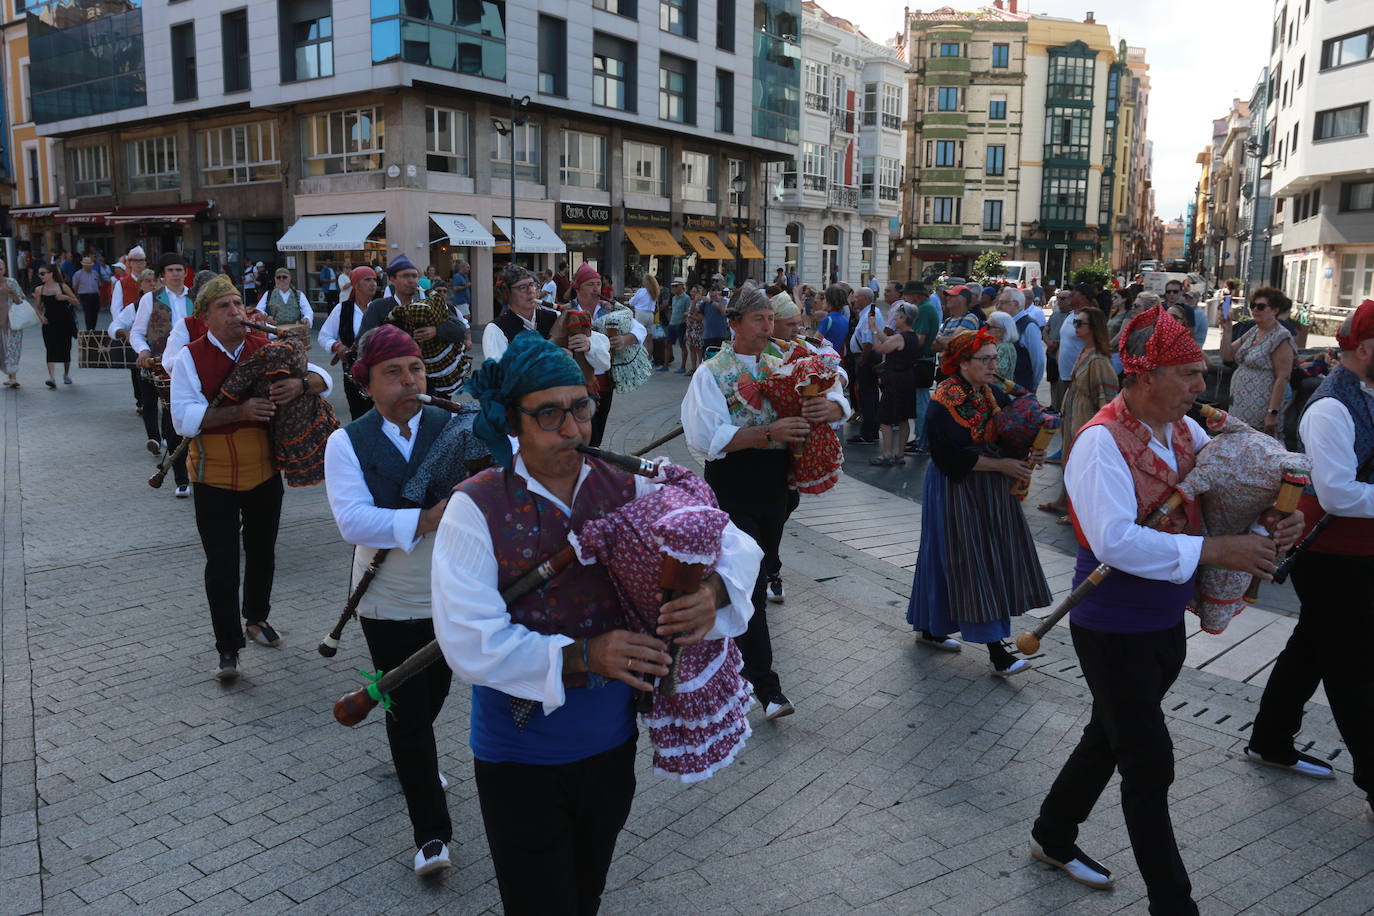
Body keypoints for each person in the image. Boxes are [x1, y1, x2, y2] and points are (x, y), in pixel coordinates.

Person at [431, 330, 758, 912]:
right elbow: (467, 640)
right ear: (513, 420)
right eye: (550, 414)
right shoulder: (474, 505)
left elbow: (730, 539)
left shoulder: (629, 481)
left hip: (610, 740)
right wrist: (584, 655)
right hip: (517, 751)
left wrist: (711, 591)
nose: (574, 429)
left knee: (587, 891)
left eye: (580, 406)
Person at [1031, 305, 1303, 914]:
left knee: (1110, 736)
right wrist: (1217, 548)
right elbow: (1114, 542)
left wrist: (1274, 517)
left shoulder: (1186, 431)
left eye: (1202, 373)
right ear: (1144, 375)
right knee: (1148, 764)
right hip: (1112, 624)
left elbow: (1228, 487)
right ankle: (1173, 904)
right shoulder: (1100, 441)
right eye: (1188, 373)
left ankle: (1052, 833)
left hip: (1161, 622)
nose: (1203, 386)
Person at [323, 325, 458, 875]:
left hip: (452, 592)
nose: (409, 381)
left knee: (434, 696)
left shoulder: (454, 425)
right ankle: (432, 835)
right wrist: (426, 518)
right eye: (393, 373)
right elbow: (352, 520)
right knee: (406, 716)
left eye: (416, 369)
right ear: (367, 384)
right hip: (386, 598)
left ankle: (417, 760)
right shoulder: (346, 441)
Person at [683, 282, 850, 720]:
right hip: (732, 483)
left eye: (770, 319)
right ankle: (768, 687)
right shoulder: (712, 372)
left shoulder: (789, 359)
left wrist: (829, 410)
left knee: (753, 575)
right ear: (734, 324)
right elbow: (706, 439)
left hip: (778, 486)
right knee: (750, 582)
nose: (768, 327)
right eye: (758, 319)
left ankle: (720, 655)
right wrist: (768, 433)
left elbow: (837, 389)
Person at [1245, 298, 1374, 815]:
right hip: (1331, 553)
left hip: (1356, 551)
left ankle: (1270, 739)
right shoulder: (1330, 406)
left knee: (1313, 648)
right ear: (1365, 348)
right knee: (1353, 666)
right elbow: (1338, 493)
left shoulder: (1364, 390)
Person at [170, 275, 333, 680]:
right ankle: (228, 647)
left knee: (263, 552)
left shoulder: (266, 347)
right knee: (221, 564)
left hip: (264, 473)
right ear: (204, 317)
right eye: (224, 307)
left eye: (238, 304)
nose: (236, 313)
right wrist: (239, 413)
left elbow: (324, 380)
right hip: (213, 477)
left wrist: (299, 384)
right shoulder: (190, 357)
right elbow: (182, 418)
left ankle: (256, 618)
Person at [907, 327, 1050, 675]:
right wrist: (1002, 464)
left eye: (994, 357)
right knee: (972, 558)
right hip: (956, 485)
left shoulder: (989, 391)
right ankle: (997, 653)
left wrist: (1031, 452)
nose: (993, 364)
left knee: (944, 555)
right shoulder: (945, 401)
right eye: (985, 359)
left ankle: (930, 627)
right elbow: (947, 456)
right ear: (962, 362)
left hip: (987, 485)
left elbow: (1010, 433)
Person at [1039, 306, 1119, 521]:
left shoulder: (1100, 361)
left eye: (1079, 323)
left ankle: (1078, 513)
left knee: (1083, 467)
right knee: (1069, 460)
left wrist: (1100, 429)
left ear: (1093, 328)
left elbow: (1107, 399)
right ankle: (1063, 502)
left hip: (1086, 421)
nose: (1075, 326)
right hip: (1072, 418)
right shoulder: (1085, 352)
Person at [359, 254, 469, 393]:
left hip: (429, 382)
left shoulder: (430, 305)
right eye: (405, 276)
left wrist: (436, 331)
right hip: (393, 383)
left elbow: (460, 330)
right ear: (392, 279)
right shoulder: (378, 307)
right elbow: (364, 342)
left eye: (414, 276)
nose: (411, 280)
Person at [570, 262, 642, 447]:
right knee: (579, 432)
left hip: (604, 383)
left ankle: (592, 466)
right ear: (577, 288)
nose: (596, 288)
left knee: (598, 431)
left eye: (598, 284)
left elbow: (639, 328)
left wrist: (626, 339)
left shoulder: (610, 309)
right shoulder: (566, 311)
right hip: (576, 383)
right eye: (590, 284)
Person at [1219, 287, 1295, 440]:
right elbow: (1227, 355)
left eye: (1260, 306)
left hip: (1261, 413)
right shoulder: (1254, 331)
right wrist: (1227, 330)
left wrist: (1272, 413)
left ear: (1275, 310)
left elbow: (1283, 377)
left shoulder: (1281, 336)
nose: (1255, 309)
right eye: (1253, 306)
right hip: (1239, 409)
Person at [318, 265, 379, 421]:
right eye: (368, 280)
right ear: (356, 284)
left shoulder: (379, 308)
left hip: (381, 372)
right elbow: (324, 336)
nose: (373, 283)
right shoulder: (342, 309)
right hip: (353, 374)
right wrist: (338, 346)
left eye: (374, 280)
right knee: (360, 418)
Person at [868, 302, 922, 467]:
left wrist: (874, 331)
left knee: (886, 418)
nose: (894, 320)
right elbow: (890, 341)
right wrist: (877, 326)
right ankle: (899, 454)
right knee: (903, 418)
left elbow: (879, 349)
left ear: (904, 318)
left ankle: (887, 454)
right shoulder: (913, 336)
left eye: (896, 317)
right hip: (907, 379)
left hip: (895, 381)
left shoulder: (900, 337)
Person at [846, 286, 883, 445]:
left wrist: (862, 361)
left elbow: (868, 341)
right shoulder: (867, 312)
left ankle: (868, 433)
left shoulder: (871, 313)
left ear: (865, 299)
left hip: (865, 358)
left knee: (866, 395)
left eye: (857, 297)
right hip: (865, 357)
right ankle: (871, 431)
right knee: (869, 395)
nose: (854, 300)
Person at [34, 263, 79, 388]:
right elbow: (37, 308)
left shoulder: (62, 286)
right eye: (39, 274)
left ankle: (66, 374)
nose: (40, 276)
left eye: (43, 273)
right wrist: (41, 317)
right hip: (49, 323)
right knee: (50, 348)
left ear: (51, 274)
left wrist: (65, 297)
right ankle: (52, 378)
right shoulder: (39, 290)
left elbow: (76, 302)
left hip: (65, 322)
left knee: (66, 348)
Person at [256, 268, 314, 339]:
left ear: (289, 278)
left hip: (295, 332)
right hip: (275, 333)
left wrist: (307, 318)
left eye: (284, 277)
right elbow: (258, 311)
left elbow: (308, 310)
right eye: (278, 277)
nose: (281, 279)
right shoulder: (268, 294)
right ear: (275, 279)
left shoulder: (298, 295)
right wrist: (266, 317)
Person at [1, 260, 27, 388]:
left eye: (0, 269)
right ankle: (8, 375)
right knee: (3, 350)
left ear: (4, 269)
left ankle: (13, 377)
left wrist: (11, 292)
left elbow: (20, 300)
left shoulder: (11, 282)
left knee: (12, 348)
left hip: (12, 322)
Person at [986, 309, 1019, 381]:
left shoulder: (1005, 348)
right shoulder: (994, 344)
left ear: (1001, 331)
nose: (985, 328)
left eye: (988, 326)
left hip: (1000, 390)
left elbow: (996, 376)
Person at [72, 256, 103, 331]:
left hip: (94, 295)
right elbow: (75, 286)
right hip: (84, 295)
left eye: (90, 265)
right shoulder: (78, 274)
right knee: (88, 313)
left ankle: (93, 328)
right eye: (87, 265)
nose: (88, 267)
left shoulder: (95, 273)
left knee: (95, 312)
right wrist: (77, 295)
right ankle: (89, 329)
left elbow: (99, 284)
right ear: (83, 265)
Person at [667, 278, 691, 373]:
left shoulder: (686, 298)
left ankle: (683, 367)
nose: (674, 288)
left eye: (676, 286)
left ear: (681, 286)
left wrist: (684, 323)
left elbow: (688, 312)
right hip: (672, 323)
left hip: (680, 324)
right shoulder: (673, 298)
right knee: (668, 344)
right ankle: (665, 365)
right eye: (673, 286)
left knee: (682, 345)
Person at [700, 287, 729, 357]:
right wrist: (695, 300)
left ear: (718, 291)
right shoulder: (704, 302)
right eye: (709, 289)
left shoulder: (723, 301)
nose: (711, 291)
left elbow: (723, 312)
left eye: (713, 289)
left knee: (719, 359)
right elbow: (695, 311)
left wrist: (711, 301)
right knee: (707, 358)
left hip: (720, 334)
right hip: (707, 335)